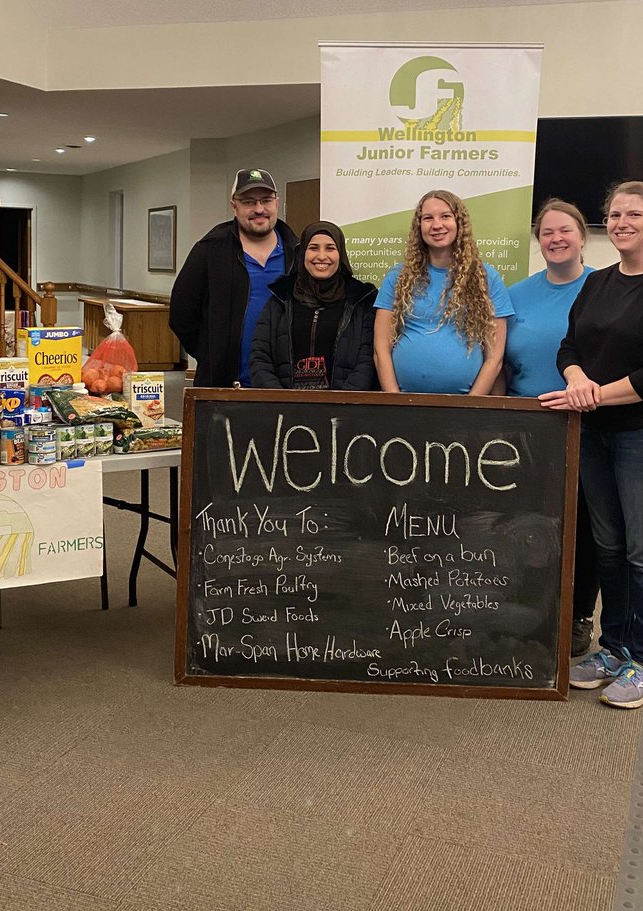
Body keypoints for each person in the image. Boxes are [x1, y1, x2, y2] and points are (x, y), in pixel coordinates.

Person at [540, 181, 643, 709]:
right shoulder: (598, 283)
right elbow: (569, 346)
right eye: (613, 215)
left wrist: (592, 396)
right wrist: (577, 380)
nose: (621, 223)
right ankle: (613, 647)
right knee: (608, 547)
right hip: (595, 435)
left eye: (634, 214)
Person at [504, 198, 598, 657]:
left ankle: (577, 615)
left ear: (582, 236)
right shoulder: (517, 293)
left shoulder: (604, 287)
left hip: (584, 425)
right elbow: (501, 358)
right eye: (546, 232)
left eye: (565, 230)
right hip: (524, 426)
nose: (556, 239)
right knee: (527, 526)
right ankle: (528, 612)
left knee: (581, 526)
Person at [373, 190, 513, 394]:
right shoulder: (398, 277)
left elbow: (495, 358)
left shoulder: (486, 278)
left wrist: (471, 406)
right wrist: (395, 402)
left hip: (464, 407)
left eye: (445, 216)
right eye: (428, 218)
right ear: (419, 226)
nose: (437, 225)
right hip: (405, 405)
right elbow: (381, 350)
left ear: (459, 223)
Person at [169, 168, 297, 386]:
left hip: (285, 386)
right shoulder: (210, 250)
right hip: (223, 385)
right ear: (234, 206)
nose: (259, 209)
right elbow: (181, 314)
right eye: (248, 201)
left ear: (277, 202)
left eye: (266, 200)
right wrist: (212, 355)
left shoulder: (297, 251)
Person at [249, 221, 377, 390]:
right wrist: (282, 402)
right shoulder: (280, 298)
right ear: (303, 253)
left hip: (343, 412)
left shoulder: (361, 300)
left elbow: (366, 362)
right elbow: (260, 358)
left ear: (341, 254)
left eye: (330, 248)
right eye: (314, 248)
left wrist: (339, 405)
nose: (321, 256)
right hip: (285, 411)